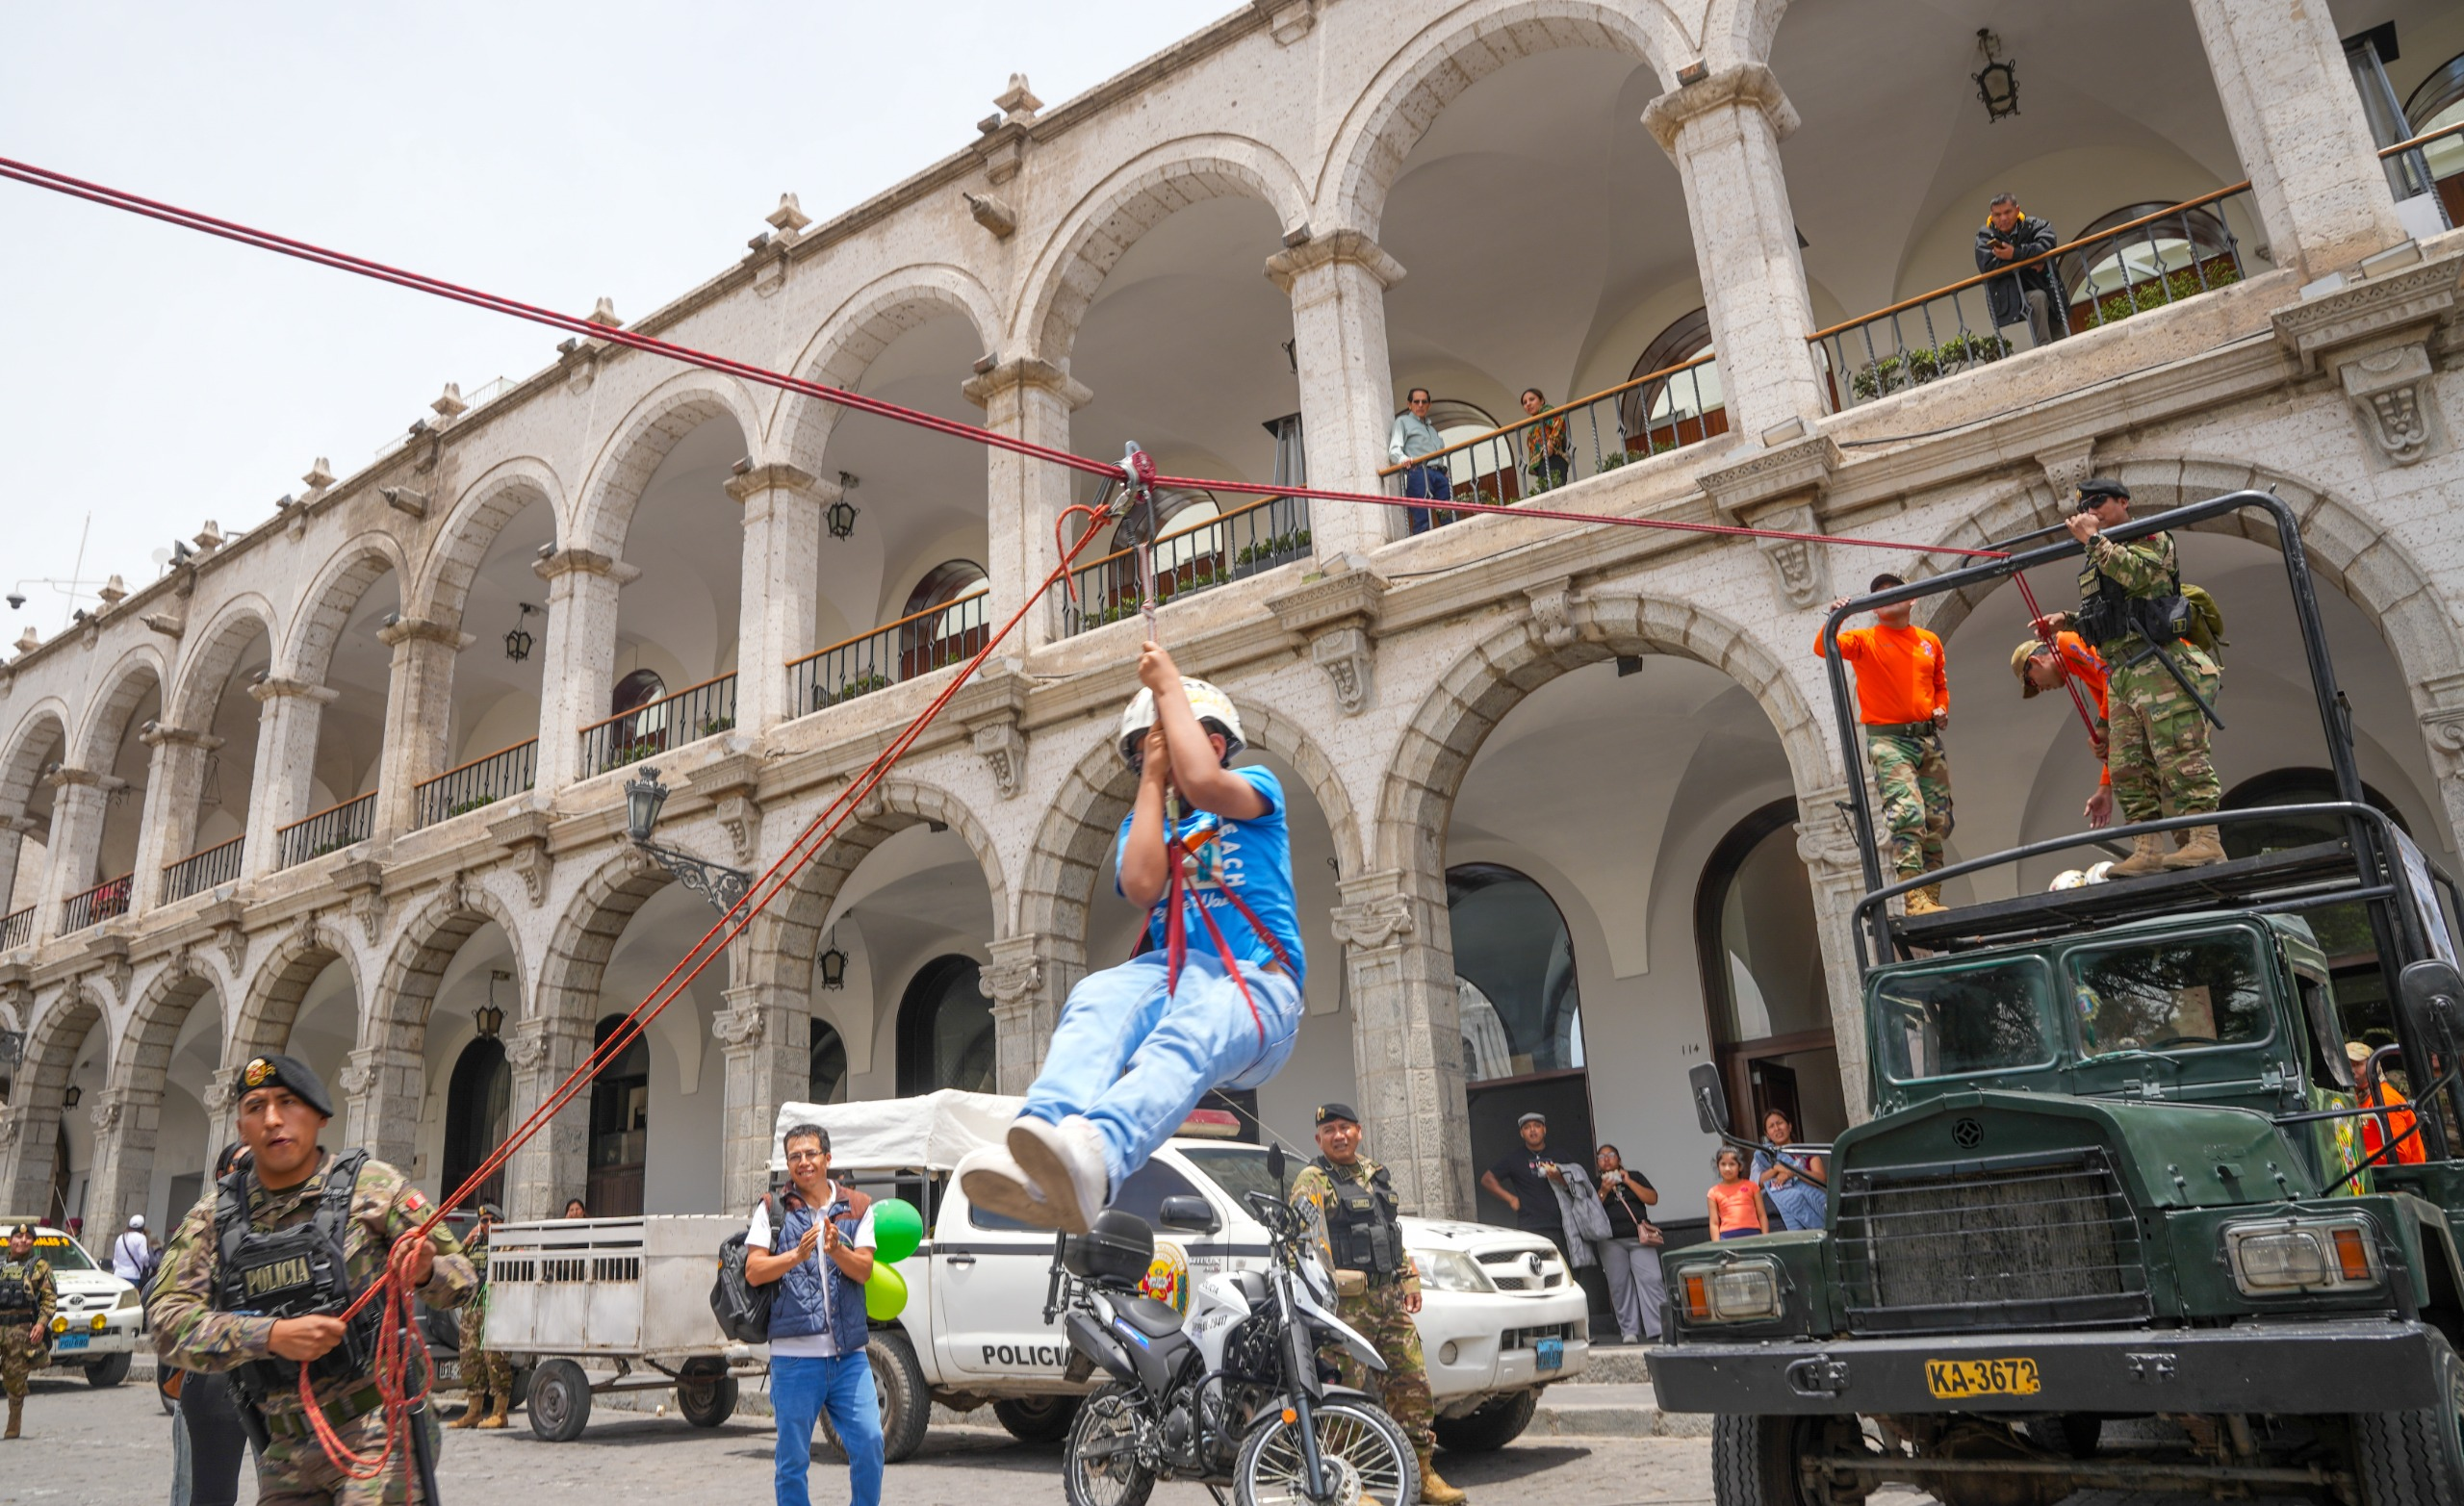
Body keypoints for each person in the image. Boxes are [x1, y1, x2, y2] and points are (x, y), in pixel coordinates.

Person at [962, 649, 1303, 1235]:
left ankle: (1100, 1155)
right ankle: (1045, 1136)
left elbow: (1203, 781)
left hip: (1261, 987)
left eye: (1167, 742)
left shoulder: (1252, 788)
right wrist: (1151, 775)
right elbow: (1143, 884)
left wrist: (1168, 686)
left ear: (1215, 743)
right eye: (1148, 750)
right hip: (1180, 975)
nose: (1161, 758)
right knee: (1098, 993)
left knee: (1192, 1026)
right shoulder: (1145, 822)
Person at [152, 1053, 477, 1505]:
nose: (272, 1120)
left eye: (287, 1102)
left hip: (374, 1434)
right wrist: (271, 1335)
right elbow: (167, 1324)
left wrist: (423, 1270)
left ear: (320, 1116)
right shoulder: (213, 1218)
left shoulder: (374, 1187)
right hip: (282, 1448)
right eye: (255, 1107)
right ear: (241, 1127)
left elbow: (462, 1279)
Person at [1290, 1104, 1467, 1506]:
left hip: (1390, 1302)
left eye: (1345, 1128)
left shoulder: (1376, 1174)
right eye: (1329, 1130)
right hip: (1346, 1309)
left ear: (1359, 1131)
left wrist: (1409, 1277)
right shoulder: (1313, 1179)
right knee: (1344, 1395)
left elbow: (1390, 1233)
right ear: (1319, 1139)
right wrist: (1324, 1290)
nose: (1339, 1135)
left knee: (1413, 1387)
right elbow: (1303, 1240)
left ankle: (1422, 1473)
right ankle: (1351, 1484)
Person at [2065, 477, 2224, 874]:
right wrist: (2066, 621)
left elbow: (2139, 577)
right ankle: (2147, 848)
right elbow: (2106, 618)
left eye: (2100, 502)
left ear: (2123, 501)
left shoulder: (2151, 539)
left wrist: (2093, 540)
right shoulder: (2100, 555)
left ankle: (2206, 841)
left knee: (2179, 754)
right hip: (2122, 673)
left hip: (2157, 664)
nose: (2092, 510)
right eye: (2087, 505)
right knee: (2126, 767)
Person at [746, 1123, 882, 1506]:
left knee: (870, 1442)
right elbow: (754, 1270)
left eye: (810, 1154)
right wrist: (795, 1256)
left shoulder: (857, 1206)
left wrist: (837, 1249)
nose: (803, 1162)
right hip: (794, 1358)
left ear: (827, 1158)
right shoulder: (771, 1209)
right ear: (787, 1164)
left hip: (849, 1358)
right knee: (792, 1462)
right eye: (794, 1157)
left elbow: (864, 1270)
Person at [1820, 574, 1953, 914]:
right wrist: (1839, 615)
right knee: (1907, 812)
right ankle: (1913, 897)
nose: (1888, 597)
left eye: (1896, 591)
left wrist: (1941, 708)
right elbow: (1824, 647)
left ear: (1912, 599)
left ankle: (1930, 895)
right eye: (1879, 595)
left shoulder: (1929, 641)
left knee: (1937, 819)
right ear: (1875, 609)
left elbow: (1939, 684)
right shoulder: (1865, 640)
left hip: (1926, 738)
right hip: (1890, 741)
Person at [167, 1143, 256, 1506]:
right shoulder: (204, 1220)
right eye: (244, 1162)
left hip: (280, 1378)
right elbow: (165, 1306)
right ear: (222, 1176)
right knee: (203, 1493)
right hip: (214, 1375)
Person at [2012, 629, 2119, 828]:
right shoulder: (2085, 676)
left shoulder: (2065, 640)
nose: (2040, 689)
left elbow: (2111, 674)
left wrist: (2102, 726)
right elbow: (2114, 727)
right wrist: (2104, 787)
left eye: (2032, 682)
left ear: (2036, 661)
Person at [449, 1204, 512, 1430]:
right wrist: (465, 1243)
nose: (487, 1225)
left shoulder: (509, 1244)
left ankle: (500, 1412)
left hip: (495, 1309)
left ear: (501, 1223)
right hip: (471, 1310)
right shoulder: (473, 1246)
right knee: (469, 1359)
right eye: (484, 1222)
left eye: (492, 1221)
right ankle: (473, 1411)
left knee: (494, 1358)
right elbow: (451, 1264)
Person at [1591, 1145, 1663, 1345]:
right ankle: (1629, 1331)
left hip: (1640, 1238)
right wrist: (1604, 1191)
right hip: (1610, 1240)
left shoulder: (1635, 1176)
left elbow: (1652, 1198)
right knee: (1619, 1285)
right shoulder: (1594, 1183)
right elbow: (1589, 1210)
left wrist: (1628, 1181)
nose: (1606, 1159)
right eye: (1601, 1157)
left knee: (1652, 1279)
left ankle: (1658, 1328)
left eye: (1611, 1155)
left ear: (1619, 1159)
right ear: (1597, 1162)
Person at [1973, 192, 2065, 349]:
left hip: (2045, 285)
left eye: (2007, 212)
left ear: (2017, 210)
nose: (2003, 218)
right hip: (2009, 297)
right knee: (2037, 298)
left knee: (2062, 337)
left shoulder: (2035, 224)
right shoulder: (1985, 236)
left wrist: (2014, 253)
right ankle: (2044, 349)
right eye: (1997, 214)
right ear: (1992, 216)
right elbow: (1988, 265)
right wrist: (2028, 261)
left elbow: (2047, 244)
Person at [1479, 1112, 1570, 1255]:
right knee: (1536, 1270)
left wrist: (1558, 1177)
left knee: (1566, 1270)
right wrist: (1511, 1199)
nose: (1533, 1130)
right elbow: (1487, 1179)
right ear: (1522, 1133)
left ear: (1544, 1130)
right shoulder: (1514, 1158)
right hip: (1530, 1225)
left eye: (1537, 1126)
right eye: (1527, 1127)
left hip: (1563, 1225)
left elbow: (1578, 1185)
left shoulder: (1560, 1155)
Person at [0, 1222, 56, 1440]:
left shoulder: (40, 1267)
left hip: (21, 1330)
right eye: (18, 1237)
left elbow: (49, 1299)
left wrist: (41, 1324)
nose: (23, 1241)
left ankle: (14, 1421)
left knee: (14, 1378)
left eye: (28, 1238)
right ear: (9, 1241)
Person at [2351, 1042, 2428, 1166]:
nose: (2352, 1071)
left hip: (2402, 1180)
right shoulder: (2358, 1098)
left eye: (2357, 1065)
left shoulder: (2385, 1099)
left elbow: (2399, 1154)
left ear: (2373, 1067)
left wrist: (2355, 1159)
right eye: (2348, 1065)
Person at [1751, 1110, 1827, 1233]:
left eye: (1779, 1123)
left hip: (1806, 1206)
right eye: (1771, 1126)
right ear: (1768, 1134)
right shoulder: (1764, 1155)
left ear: (1789, 1126)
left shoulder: (1807, 1151)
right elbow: (1755, 1184)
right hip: (1776, 1215)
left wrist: (1794, 1171)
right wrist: (1776, 1169)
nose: (1776, 1128)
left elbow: (1820, 1179)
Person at [1388, 387, 1450, 534]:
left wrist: (1445, 471)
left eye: (1424, 402)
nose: (1420, 405)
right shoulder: (1402, 422)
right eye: (1416, 402)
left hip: (1439, 475)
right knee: (1423, 519)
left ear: (1429, 405)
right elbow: (1394, 450)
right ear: (1409, 404)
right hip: (1420, 473)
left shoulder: (1432, 430)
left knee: (1449, 515)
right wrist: (1403, 459)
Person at [1707, 1149, 1766, 1240]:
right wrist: (1717, 1245)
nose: (1727, 1168)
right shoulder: (1713, 1192)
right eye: (1723, 1164)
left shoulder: (1752, 1186)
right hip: (1727, 1236)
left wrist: (1765, 1237)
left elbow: (1761, 1214)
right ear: (1718, 1166)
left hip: (1753, 1234)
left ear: (1740, 1166)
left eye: (1732, 1164)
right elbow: (1714, 1222)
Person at [1520, 388, 1570, 495]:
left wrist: (1551, 444)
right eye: (1525, 402)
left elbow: (1559, 422)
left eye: (1532, 399)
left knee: (1553, 495)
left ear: (1542, 401)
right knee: (1549, 495)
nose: (1528, 404)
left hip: (1552, 460)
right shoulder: (1536, 420)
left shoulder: (1546, 411)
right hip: (1545, 463)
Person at [112, 1213, 153, 1283]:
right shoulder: (141, 1238)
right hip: (133, 1276)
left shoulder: (121, 1237)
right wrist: (148, 1265)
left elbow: (115, 1258)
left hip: (118, 1275)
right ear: (142, 1226)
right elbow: (143, 1257)